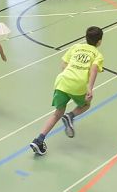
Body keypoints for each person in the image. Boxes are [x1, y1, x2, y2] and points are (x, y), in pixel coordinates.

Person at [28, 26, 104, 156]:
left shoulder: (76, 47)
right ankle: (70, 116)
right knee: (86, 104)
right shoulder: (97, 54)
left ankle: (39, 140)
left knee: (57, 113)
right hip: (78, 84)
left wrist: (68, 75)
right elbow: (94, 70)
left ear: (85, 38)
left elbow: (63, 64)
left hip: (62, 81)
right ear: (99, 42)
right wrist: (89, 88)